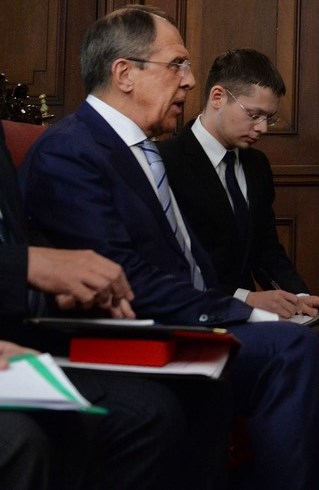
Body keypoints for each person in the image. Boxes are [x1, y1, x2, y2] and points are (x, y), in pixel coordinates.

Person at [18, 6, 319, 488]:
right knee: (291, 347)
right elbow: (120, 275)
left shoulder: (140, 149)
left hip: (189, 321)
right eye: (177, 65)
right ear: (124, 73)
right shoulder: (72, 149)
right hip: (134, 336)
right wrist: (247, 312)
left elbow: (199, 262)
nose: (189, 80)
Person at [1, 112, 191, 489]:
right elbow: (23, 257)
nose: (188, 83)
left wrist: (62, 279)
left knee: (150, 412)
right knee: (19, 441)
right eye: (176, 74)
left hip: (23, 339)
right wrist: (29, 265)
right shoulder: (67, 147)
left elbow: (14, 231)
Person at [159, 48, 319, 366]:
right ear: (217, 97)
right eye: (254, 115)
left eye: (269, 117)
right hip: (201, 318)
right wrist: (247, 298)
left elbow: (267, 249)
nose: (263, 128)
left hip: (253, 315)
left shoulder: (257, 165)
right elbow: (170, 266)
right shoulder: (165, 163)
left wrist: (300, 299)